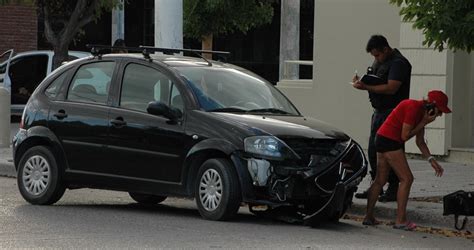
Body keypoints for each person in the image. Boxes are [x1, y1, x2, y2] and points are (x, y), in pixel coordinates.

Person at [362, 90, 450, 230]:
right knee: (407, 179)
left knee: (380, 180)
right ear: (432, 106)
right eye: (439, 111)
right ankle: (401, 220)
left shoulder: (422, 114)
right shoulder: (413, 107)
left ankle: (369, 217)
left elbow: (420, 142)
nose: (440, 115)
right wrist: (423, 122)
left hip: (382, 139)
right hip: (390, 141)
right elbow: (404, 136)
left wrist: (432, 160)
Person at [352, 35, 412, 202]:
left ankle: (393, 188)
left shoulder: (398, 63)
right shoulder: (380, 62)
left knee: (392, 151)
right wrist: (362, 82)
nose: (375, 58)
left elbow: (392, 88)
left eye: (377, 55)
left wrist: (366, 87)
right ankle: (376, 185)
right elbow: (375, 79)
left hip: (393, 112)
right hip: (379, 111)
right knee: (374, 150)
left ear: (386, 49)